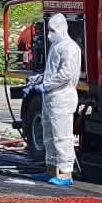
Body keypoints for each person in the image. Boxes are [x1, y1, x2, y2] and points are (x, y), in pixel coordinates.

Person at [29, 13, 82, 187]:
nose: (49, 34)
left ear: (61, 29)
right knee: (49, 136)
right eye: (48, 30)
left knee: (62, 136)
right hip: (50, 97)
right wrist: (38, 79)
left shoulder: (69, 48)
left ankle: (66, 173)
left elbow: (66, 74)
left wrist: (47, 85)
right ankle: (51, 169)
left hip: (62, 97)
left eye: (52, 30)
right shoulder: (56, 47)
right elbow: (52, 71)